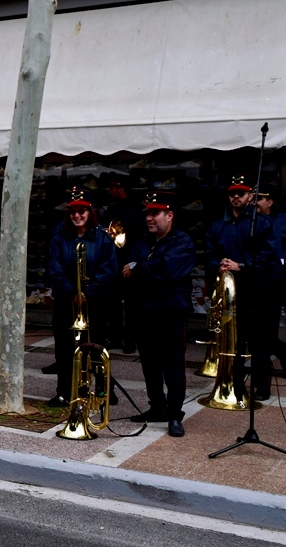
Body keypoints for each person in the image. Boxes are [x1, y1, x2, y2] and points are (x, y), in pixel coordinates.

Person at [124, 192, 196, 437]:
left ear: (170, 215)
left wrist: (139, 268)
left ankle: (174, 415)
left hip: (171, 313)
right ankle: (157, 407)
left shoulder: (183, 241)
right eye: (148, 214)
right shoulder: (142, 242)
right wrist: (141, 269)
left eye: (155, 213)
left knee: (173, 366)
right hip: (145, 313)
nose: (149, 218)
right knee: (150, 365)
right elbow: (127, 271)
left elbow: (167, 271)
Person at [205, 176, 280, 401]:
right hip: (229, 292)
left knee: (259, 342)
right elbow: (209, 253)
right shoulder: (218, 225)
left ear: (250, 196)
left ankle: (262, 388)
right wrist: (219, 264)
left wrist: (242, 265)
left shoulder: (263, 223)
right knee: (232, 339)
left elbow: (269, 256)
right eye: (232, 193)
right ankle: (234, 387)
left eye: (241, 193)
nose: (236, 197)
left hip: (255, 289)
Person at [45, 187, 118, 408]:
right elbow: (54, 268)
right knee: (64, 348)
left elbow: (109, 269)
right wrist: (72, 292)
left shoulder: (103, 238)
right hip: (67, 301)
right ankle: (65, 392)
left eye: (82, 211)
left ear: (90, 212)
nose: (77, 215)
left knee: (96, 348)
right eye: (73, 211)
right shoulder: (59, 236)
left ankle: (105, 391)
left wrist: (88, 292)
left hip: (95, 302)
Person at [102, 176, 143, 353]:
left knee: (132, 303)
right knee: (113, 302)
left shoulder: (139, 209)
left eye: (112, 187)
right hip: (114, 259)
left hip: (131, 259)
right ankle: (116, 337)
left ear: (121, 188)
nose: (109, 191)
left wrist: (135, 262)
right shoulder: (111, 209)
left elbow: (141, 237)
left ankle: (130, 340)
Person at [255, 186, 286, 374]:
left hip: (274, 281)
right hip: (258, 280)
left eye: (259, 198)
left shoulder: (281, 221)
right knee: (261, 333)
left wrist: (281, 266)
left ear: (270, 201)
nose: (255, 202)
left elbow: (278, 252)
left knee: (268, 332)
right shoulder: (254, 220)